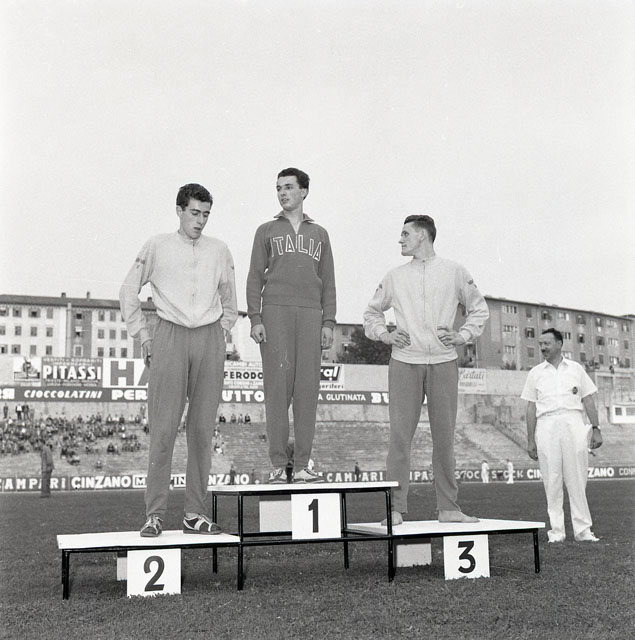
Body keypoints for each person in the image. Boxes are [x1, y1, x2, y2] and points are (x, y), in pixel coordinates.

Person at [120, 183, 237, 538]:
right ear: (179, 210)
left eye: (206, 214)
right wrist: (143, 335)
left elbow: (230, 300)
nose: (200, 221)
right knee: (164, 430)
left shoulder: (219, 249)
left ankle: (194, 514)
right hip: (169, 335)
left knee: (201, 431)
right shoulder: (157, 245)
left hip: (209, 338)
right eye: (194, 213)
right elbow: (128, 290)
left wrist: (222, 332)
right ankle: (154, 515)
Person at [363, 214, 489, 524]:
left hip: (444, 362)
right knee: (399, 439)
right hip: (404, 362)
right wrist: (385, 334)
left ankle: (448, 507)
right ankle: (394, 509)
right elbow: (371, 314)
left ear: (422, 235)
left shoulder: (454, 271)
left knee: (444, 439)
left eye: (405, 234)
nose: (400, 239)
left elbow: (479, 309)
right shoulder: (394, 276)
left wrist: (462, 335)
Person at [247, 167, 336, 484]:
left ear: (303, 191)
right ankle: (277, 465)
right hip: (275, 313)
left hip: (311, 315)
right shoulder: (266, 230)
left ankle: (301, 466)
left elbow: (328, 282)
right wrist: (255, 317)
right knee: (277, 391)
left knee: (307, 393)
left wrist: (328, 322)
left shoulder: (320, 234)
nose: (283, 193)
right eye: (278, 188)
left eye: (288, 187)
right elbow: (254, 277)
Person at [521, 328, 602, 543]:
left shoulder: (576, 369)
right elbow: (531, 408)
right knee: (552, 479)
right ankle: (557, 531)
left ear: (559, 344)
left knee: (577, 478)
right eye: (540, 344)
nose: (543, 348)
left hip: (573, 421)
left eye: (546, 343)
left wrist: (596, 428)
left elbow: (588, 399)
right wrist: (530, 439)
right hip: (546, 424)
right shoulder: (535, 373)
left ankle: (583, 530)